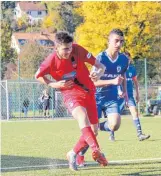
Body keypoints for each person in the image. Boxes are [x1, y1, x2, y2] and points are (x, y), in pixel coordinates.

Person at [35, 31, 108, 171]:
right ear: (56, 48)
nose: (69, 51)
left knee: (94, 130)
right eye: (65, 49)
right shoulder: (50, 60)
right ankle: (96, 149)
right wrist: (53, 84)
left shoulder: (78, 49)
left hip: (89, 91)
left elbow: (101, 66)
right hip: (70, 93)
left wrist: (97, 74)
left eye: (70, 47)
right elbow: (37, 75)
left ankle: (73, 153)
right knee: (81, 116)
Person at [75, 29, 129, 167]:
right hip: (96, 96)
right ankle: (80, 155)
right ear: (109, 41)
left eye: (121, 41)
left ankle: (96, 127)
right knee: (93, 131)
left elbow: (122, 77)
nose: (119, 44)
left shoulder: (124, 59)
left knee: (115, 124)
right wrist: (112, 82)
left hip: (111, 97)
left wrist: (125, 93)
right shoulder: (100, 58)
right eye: (116, 40)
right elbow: (92, 82)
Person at [109, 51, 150, 141]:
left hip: (130, 95)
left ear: (130, 59)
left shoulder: (132, 69)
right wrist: (119, 91)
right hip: (119, 96)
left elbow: (135, 82)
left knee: (135, 112)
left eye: (128, 58)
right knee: (115, 116)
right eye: (124, 58)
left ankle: (139, 134)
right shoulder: (117, 68)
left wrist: (137, 94)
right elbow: (113, 81)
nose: (126, 60)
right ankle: (111, 134)